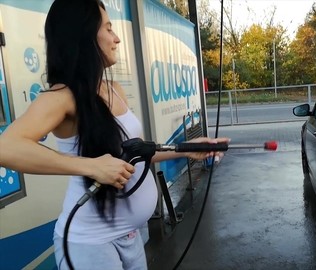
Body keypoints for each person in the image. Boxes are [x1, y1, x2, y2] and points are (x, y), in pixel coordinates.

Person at [0, 0, 228, 269]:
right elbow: (7, 148)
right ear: (83, 35)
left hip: (131, 238)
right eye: (108, 29)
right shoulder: (62, 96)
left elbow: (129, 156)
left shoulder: (114, 88)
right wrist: (91, 166)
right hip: (90, 244)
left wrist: (186, 148)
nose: (116, 38)